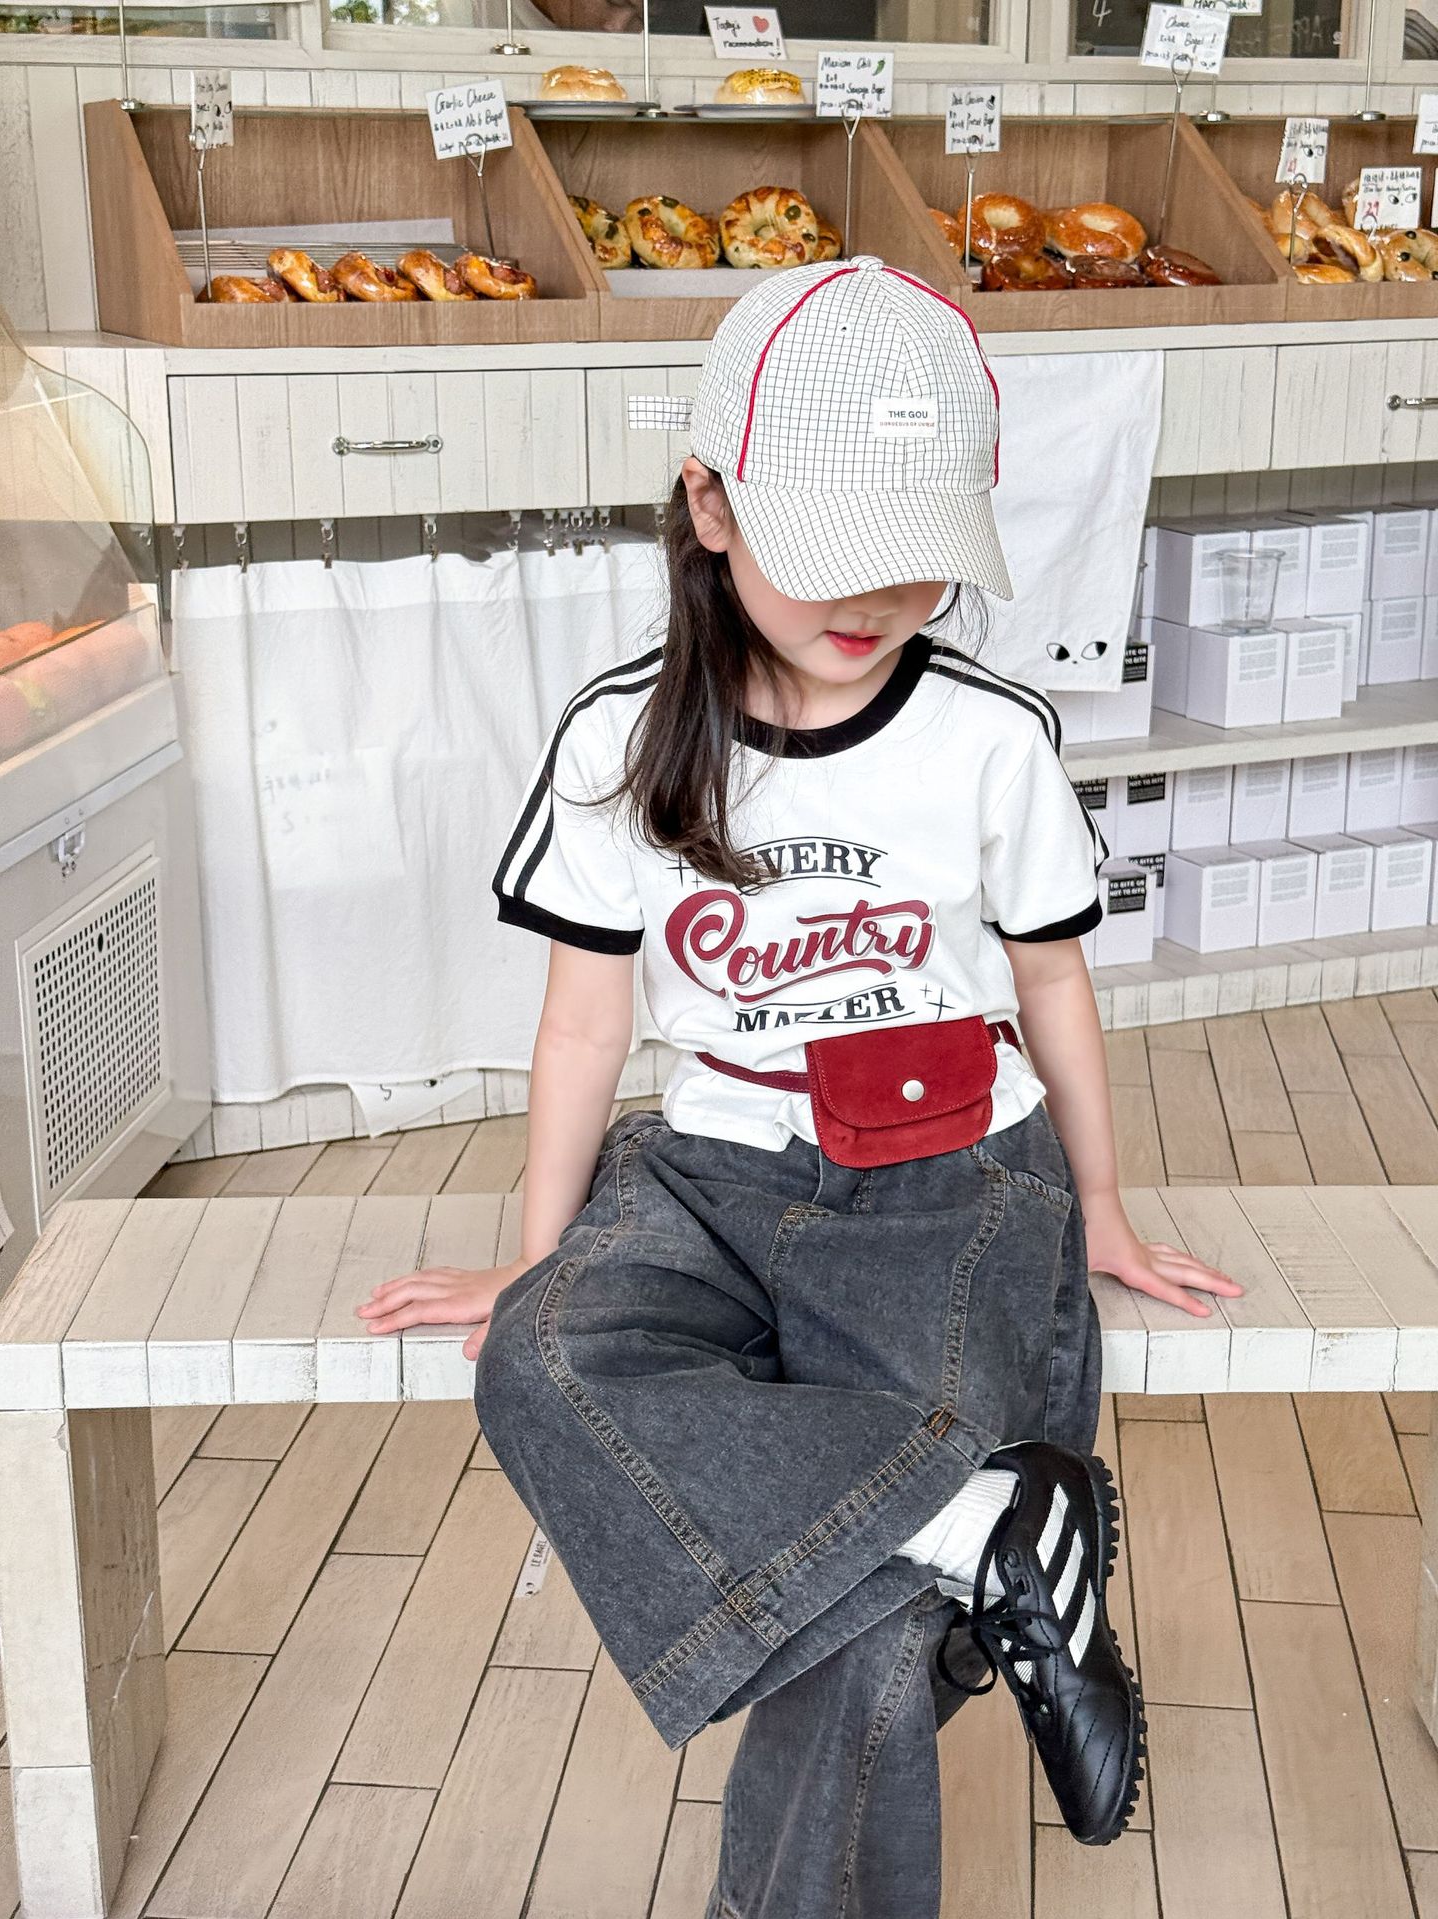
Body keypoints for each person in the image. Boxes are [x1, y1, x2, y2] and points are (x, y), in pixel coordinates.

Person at [357, 254, 1243, 1918]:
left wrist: (1102, 1210)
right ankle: (981, 1517)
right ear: (710, 504)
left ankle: (953, 1540)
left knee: (870, 1632)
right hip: (710, 1169)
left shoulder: (990, 735)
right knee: (543, 1362)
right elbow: (582, 1032)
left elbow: (1054, 981)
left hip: (950, 1174)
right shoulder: (622, 738)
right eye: (835, 552)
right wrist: (535, 1261)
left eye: (920, 556)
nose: (880, 599)